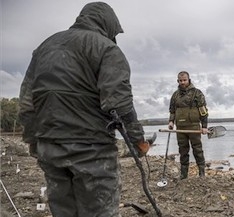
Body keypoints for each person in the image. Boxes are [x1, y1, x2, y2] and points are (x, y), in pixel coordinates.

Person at [18, 2, 149, 217]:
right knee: (100, 211)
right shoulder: (106, 48)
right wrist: (138, 141)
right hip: (92, 149)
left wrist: (34, 141)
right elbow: (119, 104)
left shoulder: (44, 48)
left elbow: (27, 103)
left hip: (50, 148)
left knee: (64, 211)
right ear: (108, 24)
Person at [168, 71, 209, 179]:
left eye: (184, 80)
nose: (182, 82)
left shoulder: (197, 93)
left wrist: (204, 126)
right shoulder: (175, 95)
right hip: (180, 128)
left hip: (194, 126)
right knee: (183, 151)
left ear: (188, 80)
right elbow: (172, 110)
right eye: (180, 80)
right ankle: (183, 174)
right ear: (178, 81)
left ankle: (201, 173)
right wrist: (171, 122)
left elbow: (203, 111)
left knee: (197, 150)